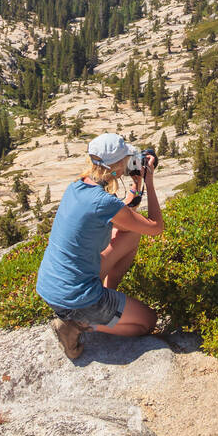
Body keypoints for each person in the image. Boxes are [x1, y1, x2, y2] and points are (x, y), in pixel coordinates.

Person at [36, 133, 163, 359]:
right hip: (78, 298)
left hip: (52, 286)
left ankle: (108, 298)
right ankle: (76, 325)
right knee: (148, 322)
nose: (130, 161)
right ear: (115, 165)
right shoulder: (103, 202)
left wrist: (136, 183)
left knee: (130, 234)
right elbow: (155, 227)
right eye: (126, 159)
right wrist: (149, 181)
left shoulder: (77, 188)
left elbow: (125, 217)